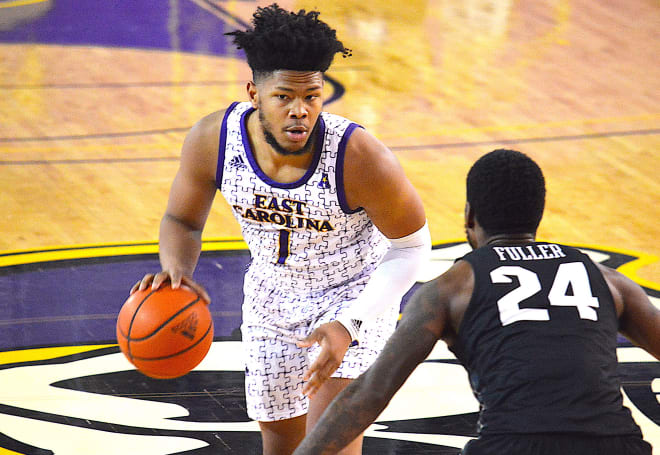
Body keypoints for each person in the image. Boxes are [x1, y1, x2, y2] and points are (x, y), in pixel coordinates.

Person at [132, 4, 430, 455]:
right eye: (284, 97)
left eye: (311, 97)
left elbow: (411, 247)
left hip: (354, 294)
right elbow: (182, 220)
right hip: (272, 297)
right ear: (254, 92)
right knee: (281, 445)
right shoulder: (212, 140)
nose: (300, 112)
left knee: (327, 443)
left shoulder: (360, 157)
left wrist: (350, 321)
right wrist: (176, 271)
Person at [293, 149, 659, 455]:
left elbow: (370, 393)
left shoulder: (450, 289)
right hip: (617, 444)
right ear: (538, 215)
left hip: (513, 446)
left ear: (469, 216)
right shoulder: (607, 280)